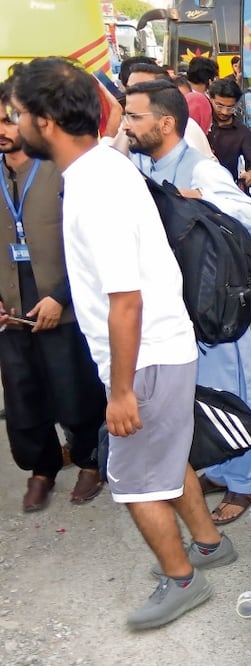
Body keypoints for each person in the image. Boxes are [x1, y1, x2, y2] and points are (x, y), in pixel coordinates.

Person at [10, 57, 236, 629]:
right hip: (161, 349)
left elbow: (125, 300)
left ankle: (182, 579)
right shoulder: (103, 167)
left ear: (45, 121)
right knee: (169, 458)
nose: (12, 126)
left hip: (145, 357)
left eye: (17, 114)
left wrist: (121, 391)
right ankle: (209, 544)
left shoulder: (95, 187)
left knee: (134, 481)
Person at [124, 79, 251, 526]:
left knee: (227, 394)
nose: (127, 125)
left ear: (166, 123)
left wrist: (196, 200)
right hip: (177, 308)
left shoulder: (201, 169)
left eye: (134, 117)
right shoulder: (144, 165)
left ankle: (246, 481)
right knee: (198, 395)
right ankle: (222, 469)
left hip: (211, 308)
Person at [0, 79, 107, 511]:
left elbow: (90, 245)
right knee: (23, 398)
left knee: (75, 391)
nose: (2, 129)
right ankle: (41, 469)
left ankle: (90, 461)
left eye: (10, 119)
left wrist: (61, 297)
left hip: (62, 307)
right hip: (11, 313)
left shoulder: (60, 171)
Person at [207, 77, 251, 194]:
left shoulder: (242, 132)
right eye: (219, 106)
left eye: (230, 108)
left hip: (227, 190)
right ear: (210, 99)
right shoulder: (202, 123)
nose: (224, 112)